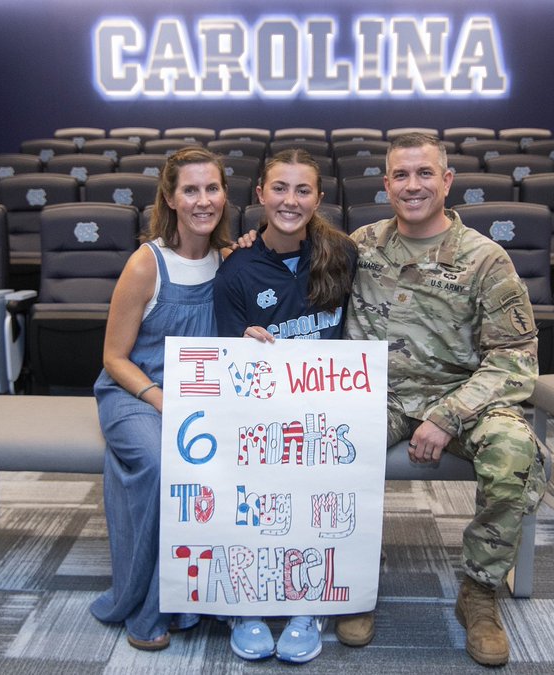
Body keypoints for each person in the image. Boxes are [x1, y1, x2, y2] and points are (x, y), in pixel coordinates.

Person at [339, 133, 545, 667]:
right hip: (376, 395)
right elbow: (288, 250)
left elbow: (515, 355)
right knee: (325, 449)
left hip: (461, 395)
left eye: (425, 173)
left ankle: (478, 593)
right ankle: (351, 583)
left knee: (513, 454)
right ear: (387, 185)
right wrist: (240, 248)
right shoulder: (360, 245)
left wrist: (448, 416)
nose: (413, 186)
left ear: (447, 181)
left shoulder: (484, 259)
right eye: (401, 176)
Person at [212, 148, 357, 663]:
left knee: (314, 494)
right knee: (253, 491)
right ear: (259, 195)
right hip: (257, 413)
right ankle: (245, 602)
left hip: (325, 412)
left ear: (320, 198)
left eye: (302, 190)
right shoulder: (236, 270)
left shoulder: (343, 255)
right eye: (279, 188)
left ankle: (307, 601)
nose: (289, 200)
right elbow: (226, 368)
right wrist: (243, 348)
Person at [91, 147, 233, 651]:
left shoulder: (230, 260)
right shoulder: (144, 264)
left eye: (211, 188)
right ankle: (144, 605)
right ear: (170, 198)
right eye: (190, 190)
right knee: (158, 464)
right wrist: (160, 398)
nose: (202, 200)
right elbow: (114, 358)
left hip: (200, 399)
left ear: (224, 195)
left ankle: (193, 598)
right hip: (136, 392)